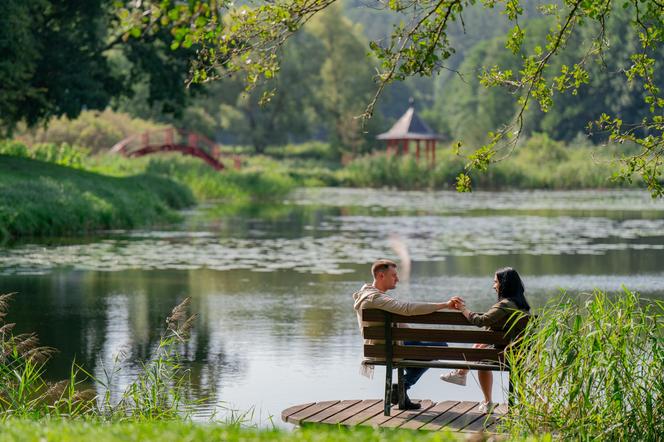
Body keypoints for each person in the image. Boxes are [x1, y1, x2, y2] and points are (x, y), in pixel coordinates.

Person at [353, 259, 457, 410]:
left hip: (380, 348)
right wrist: (445, 305)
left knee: (428, 348)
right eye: (394, 275)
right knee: (440, 347)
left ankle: (402, 390)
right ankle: (403, 386)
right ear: (381, 276)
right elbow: (407, 308)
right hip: (391, 350)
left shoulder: (366, 294)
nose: (398, 279)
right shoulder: (376, 298)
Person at [440, 267, 531, 413]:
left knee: (482, 359)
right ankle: (461, 373)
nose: (494, 286)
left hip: (504, 355)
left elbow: (481, 320)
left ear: (504, 284)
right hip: (519, 354)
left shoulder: (505, 305)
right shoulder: (522, 306)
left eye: (496, 282)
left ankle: (482, 395)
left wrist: (463, 309)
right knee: (481, 345)